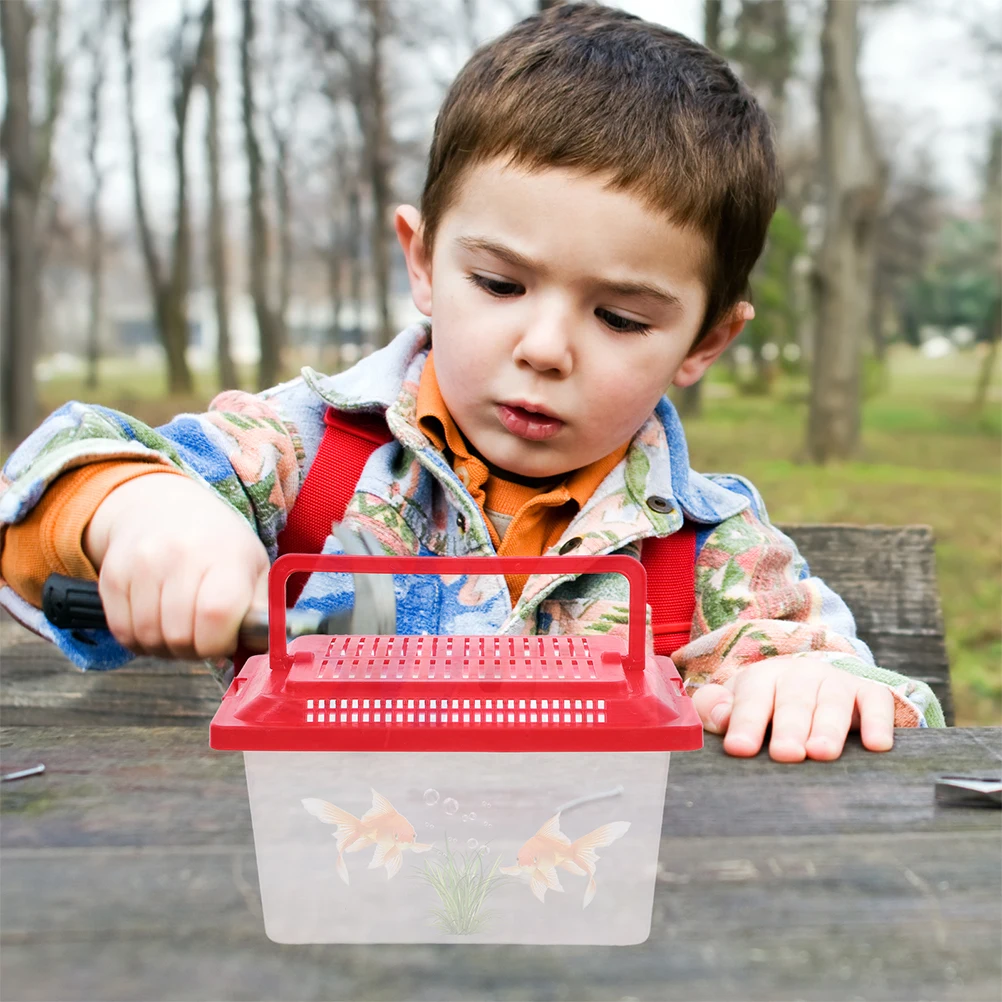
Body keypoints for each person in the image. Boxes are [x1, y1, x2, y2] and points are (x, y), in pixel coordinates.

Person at [0, 3, 943, 761]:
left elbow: (884, 709)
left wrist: (821, 691)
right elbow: (40, 505)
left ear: (705, 340)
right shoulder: (307, 461)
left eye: (620, 317)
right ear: (423, 260)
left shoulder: (705, 560)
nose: (543, 347)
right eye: (498, 284)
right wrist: (141, 514)